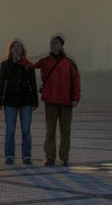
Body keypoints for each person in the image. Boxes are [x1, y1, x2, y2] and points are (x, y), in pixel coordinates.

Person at [28, 33, 81, 166]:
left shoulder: (69, 62)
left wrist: (75, 98)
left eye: (56, 42)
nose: (52, 44)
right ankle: (49, 157)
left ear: (62, 45)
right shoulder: (45, 61)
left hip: (66, 101)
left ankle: (64, 157)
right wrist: (18, 58)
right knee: (50, 130)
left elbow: (76, 81)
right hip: (50, 100)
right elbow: (32, 64)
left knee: (65, 131)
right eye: (51, 42)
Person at [0, 37, 38, 165]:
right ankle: (9, 155)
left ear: (22, 49)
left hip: (26, 101)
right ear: (10, 49)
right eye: (14, 46)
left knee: (26, 129)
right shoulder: (5, 64)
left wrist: (35, 100)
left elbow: (33, 84)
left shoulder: (28, 65)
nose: (16, 48)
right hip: (10, 101)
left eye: (19, 46)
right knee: (10, 130)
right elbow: (1, 82)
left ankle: (26, 156)